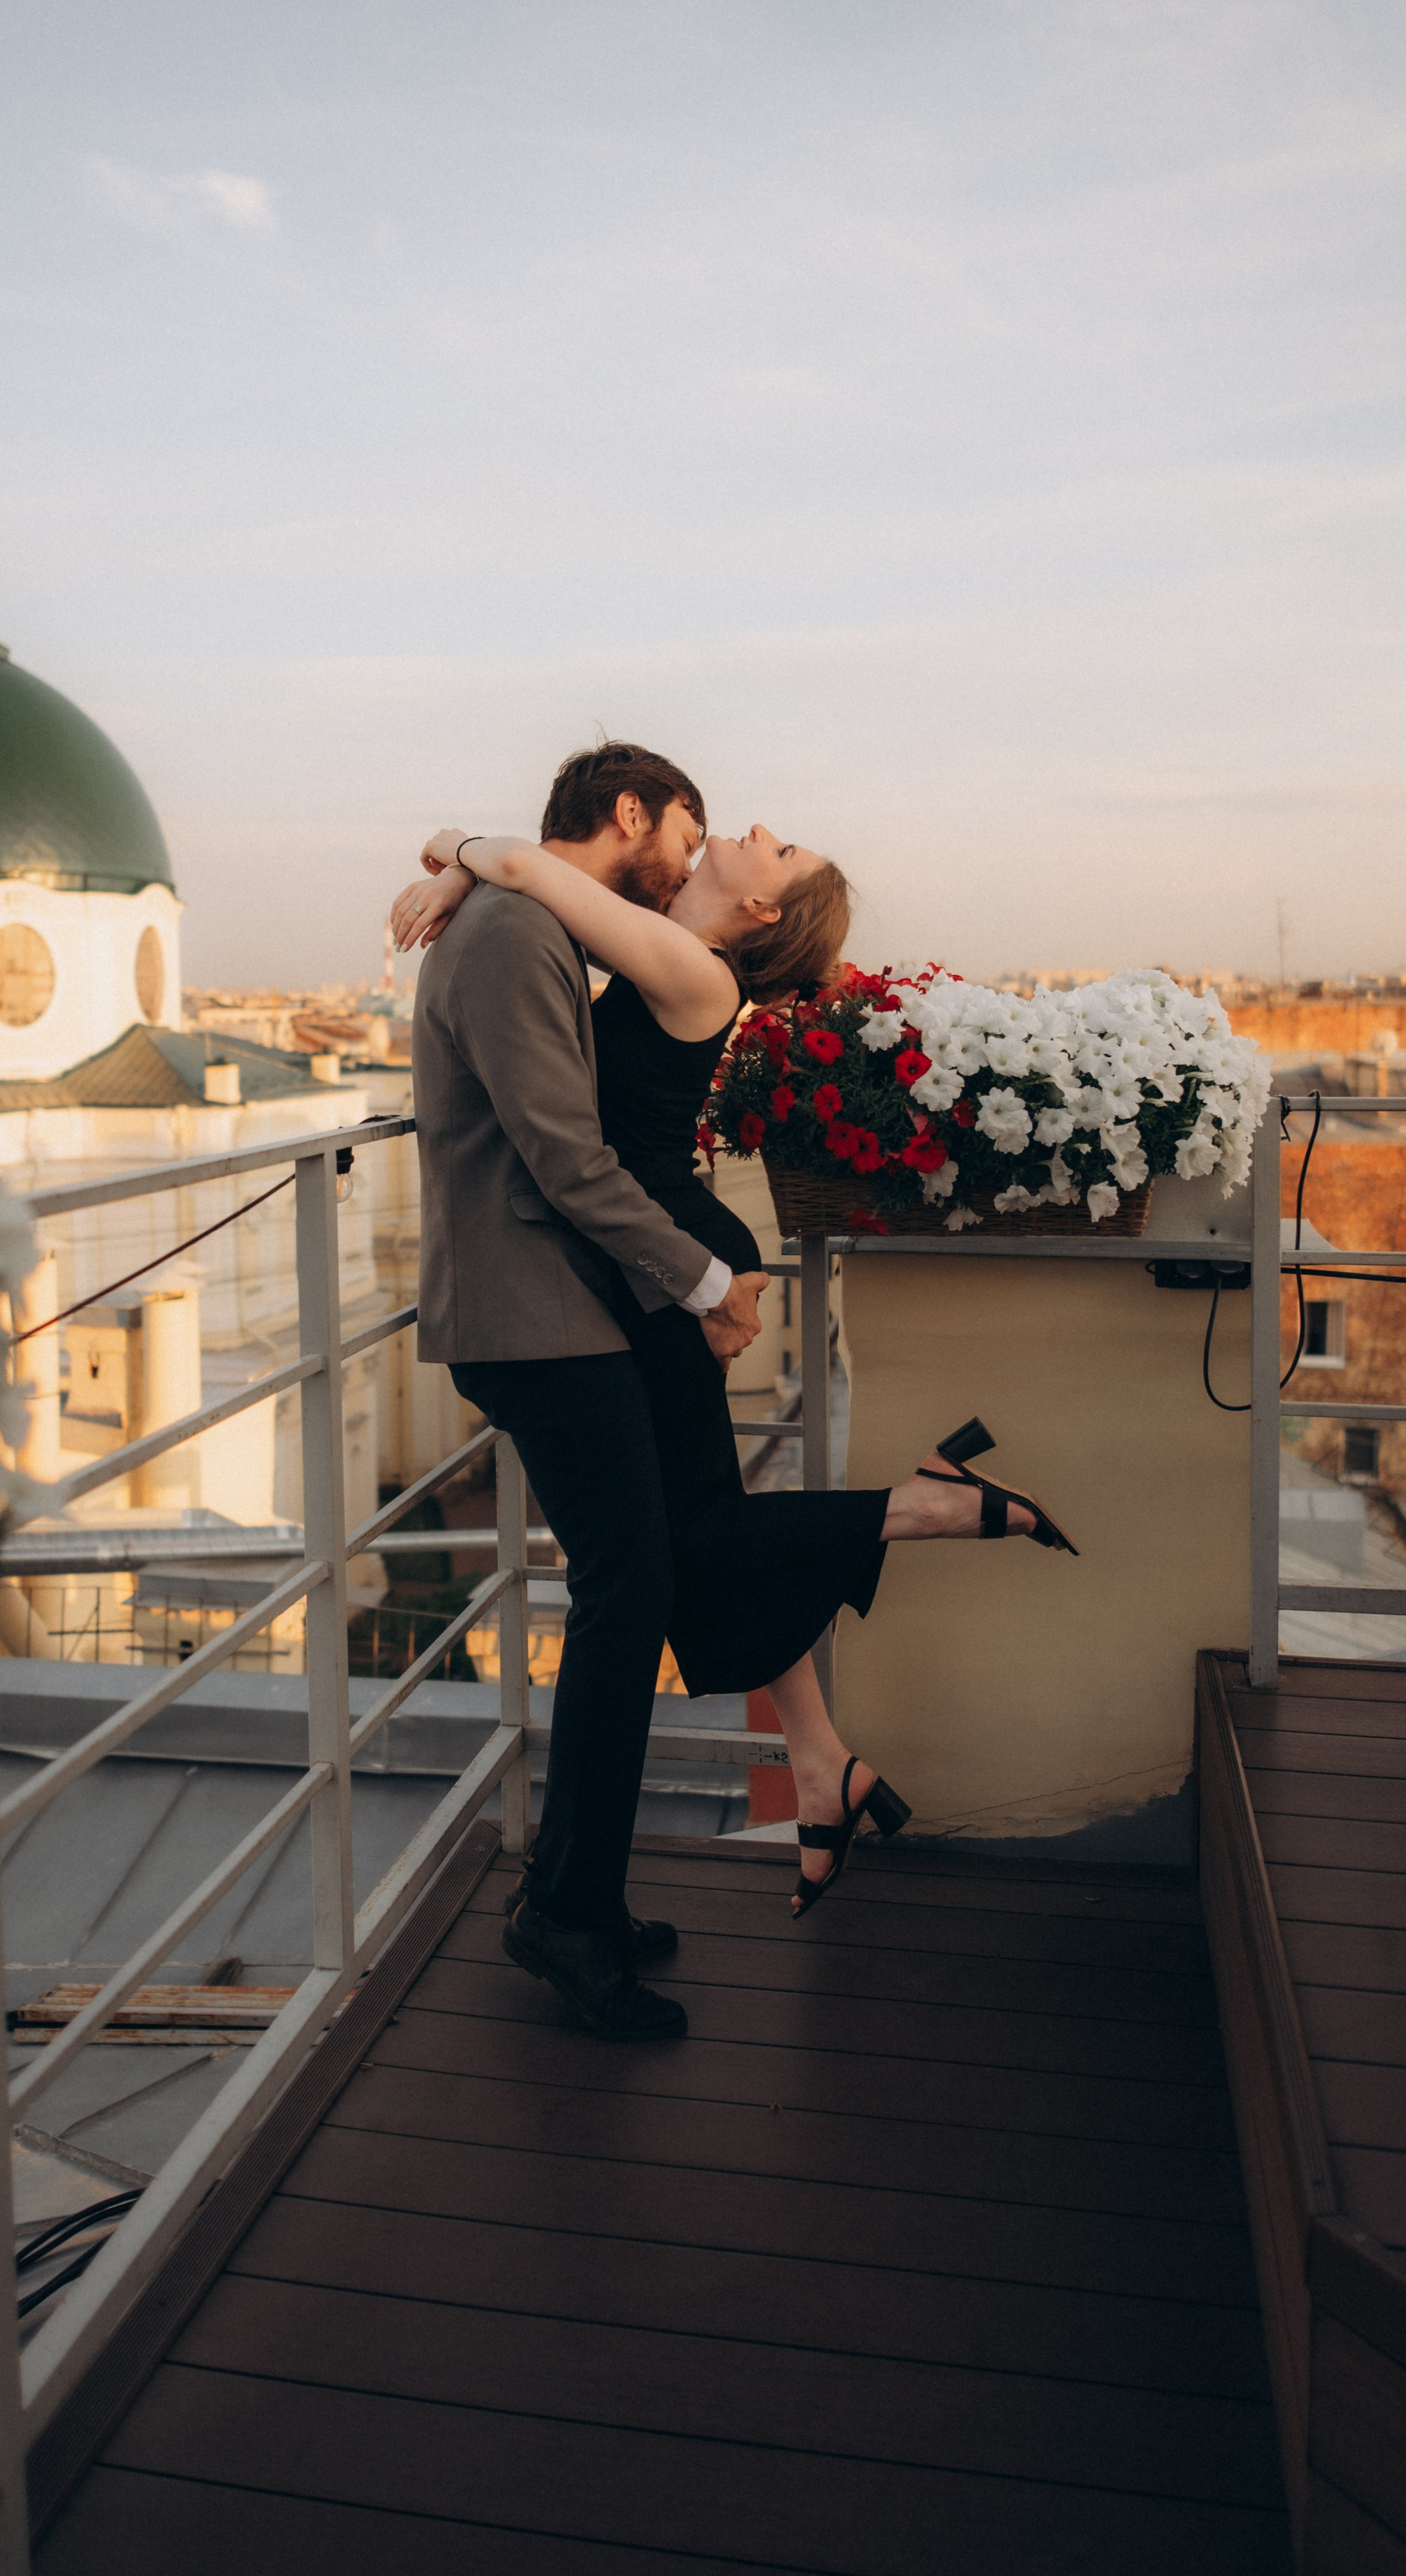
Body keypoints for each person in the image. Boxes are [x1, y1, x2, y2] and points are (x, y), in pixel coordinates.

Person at [395, 757, 1073, 1918]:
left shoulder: (688, 965)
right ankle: (822, 1755)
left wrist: (460, 855)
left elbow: (524, 874)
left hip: (656, 1262)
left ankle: (923, 1520)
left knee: (686, 1545)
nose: (756, 828)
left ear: (762, 911)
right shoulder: (646, 936)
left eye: (779, 847)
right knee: (691, 1537)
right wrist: (469, 874)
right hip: (649, 1260)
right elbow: (543, 900)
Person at [408, 743, 764, 2041]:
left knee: (634, 1589)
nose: (689, 855)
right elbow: (562, 1150)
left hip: (552, 1312)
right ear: (632, 817)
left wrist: (457, 853)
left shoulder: (523, 919)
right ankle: (565, 1916)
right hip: (532, 1318)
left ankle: (583, 1902)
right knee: (629, 1596)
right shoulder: (512, 936)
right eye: (690, 827)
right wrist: (701, 1281)